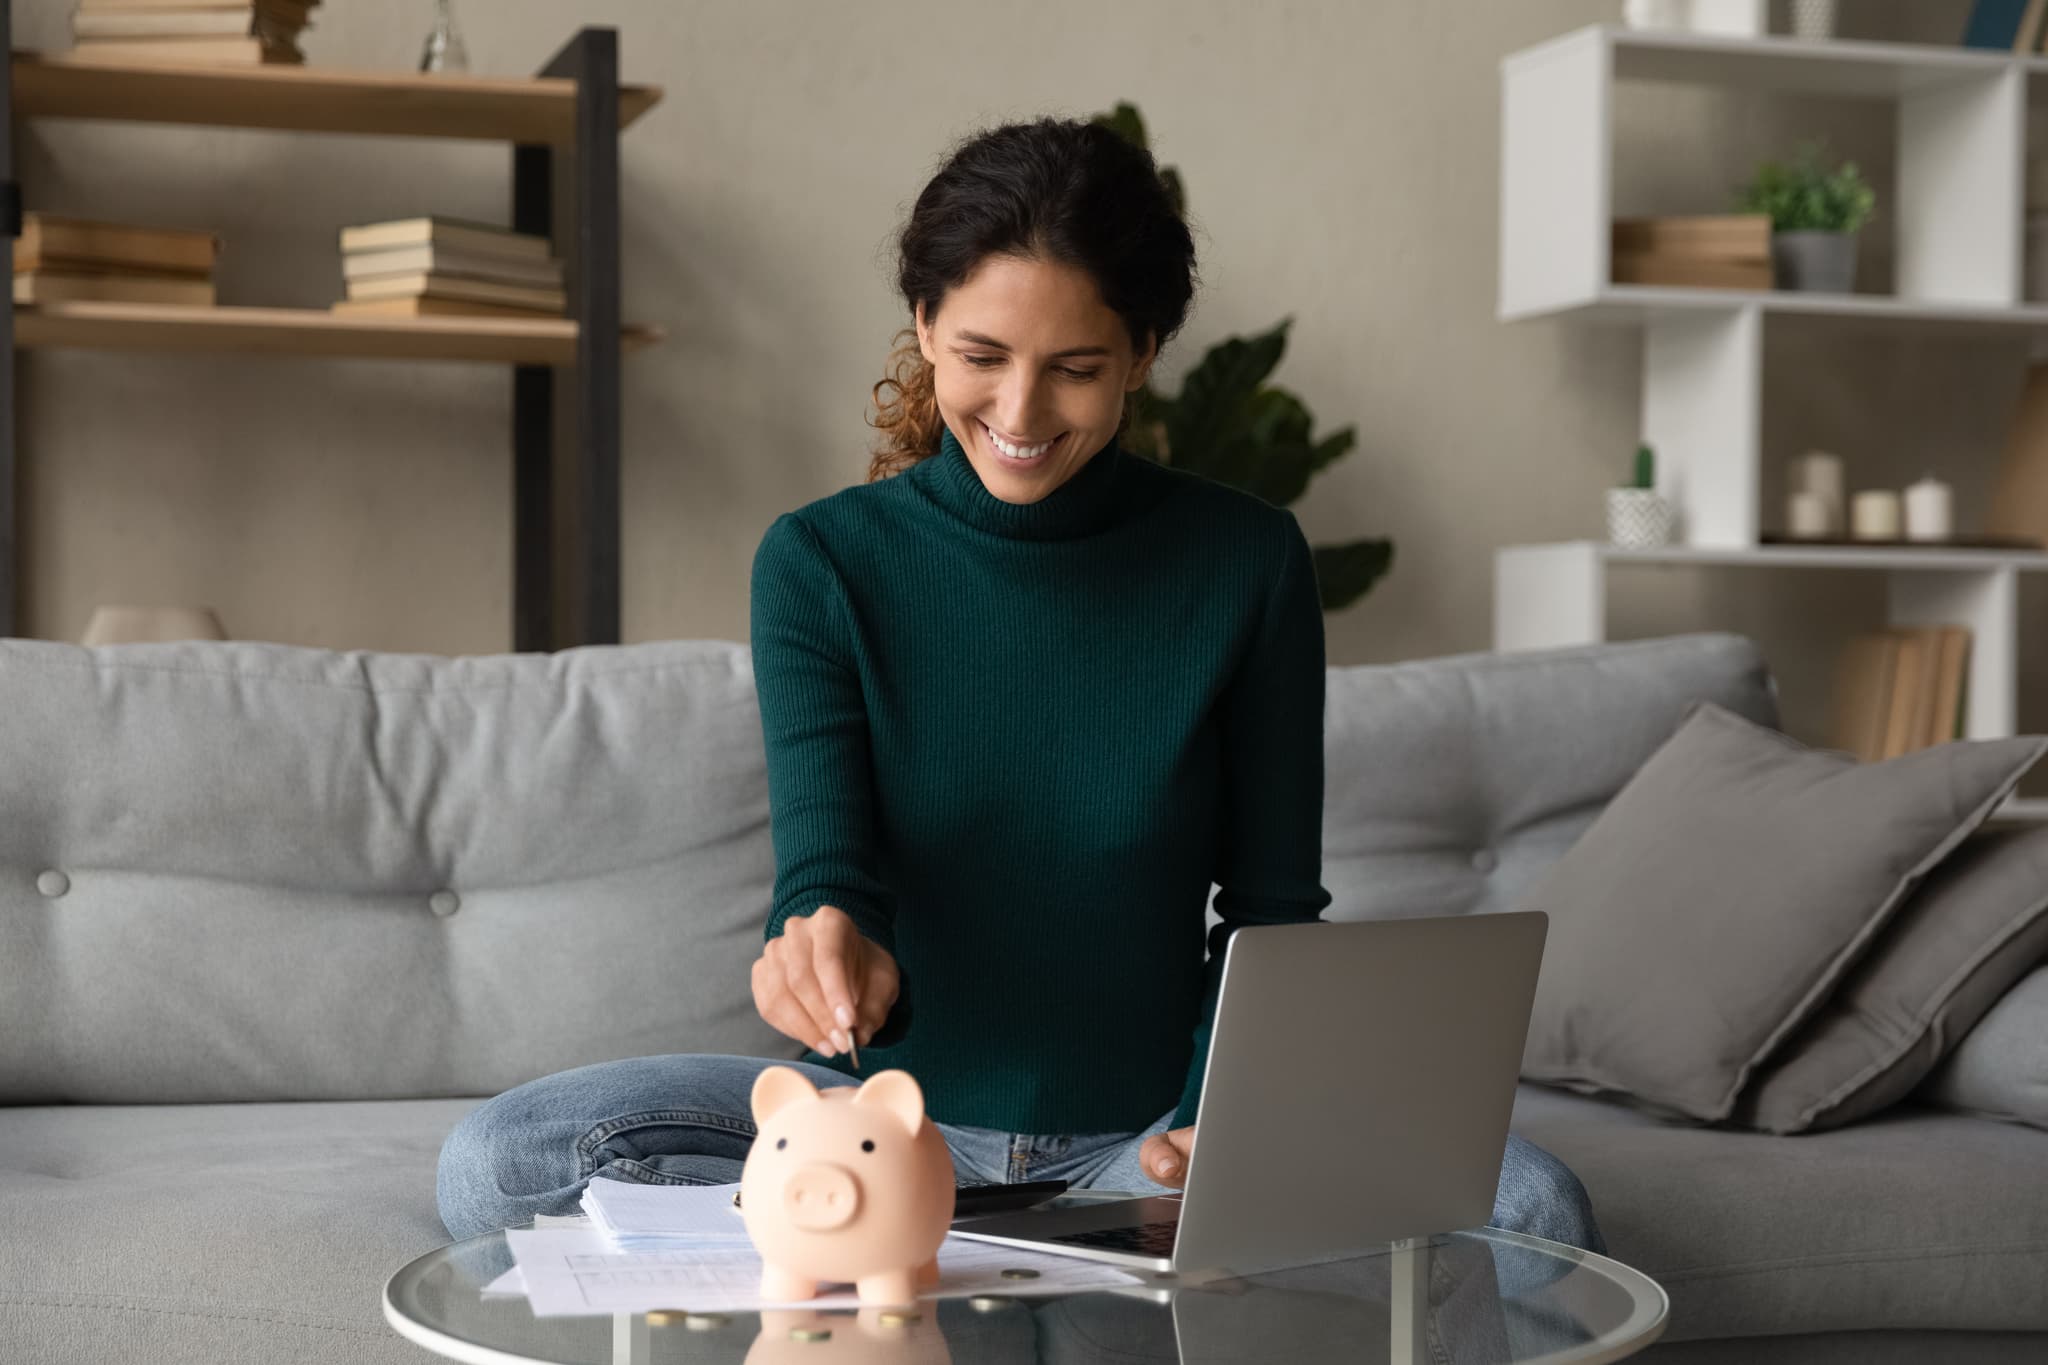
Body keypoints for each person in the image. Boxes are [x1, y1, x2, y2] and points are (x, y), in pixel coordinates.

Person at [435, 116, 1606, 1257]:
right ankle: (961, 1244)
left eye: (1076, 370)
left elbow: (1268, 916)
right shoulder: (825, 562)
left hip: (1143, 1140)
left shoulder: (1243, 563)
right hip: (887, 1133)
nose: (1020, 414)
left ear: (1142, 353)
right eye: (981, 358)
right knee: (501, 1158)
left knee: (1532, 1209)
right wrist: (828, 942)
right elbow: (827, 871)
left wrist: (1213, 1130)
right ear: (923, 322)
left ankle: (1005, 1252)